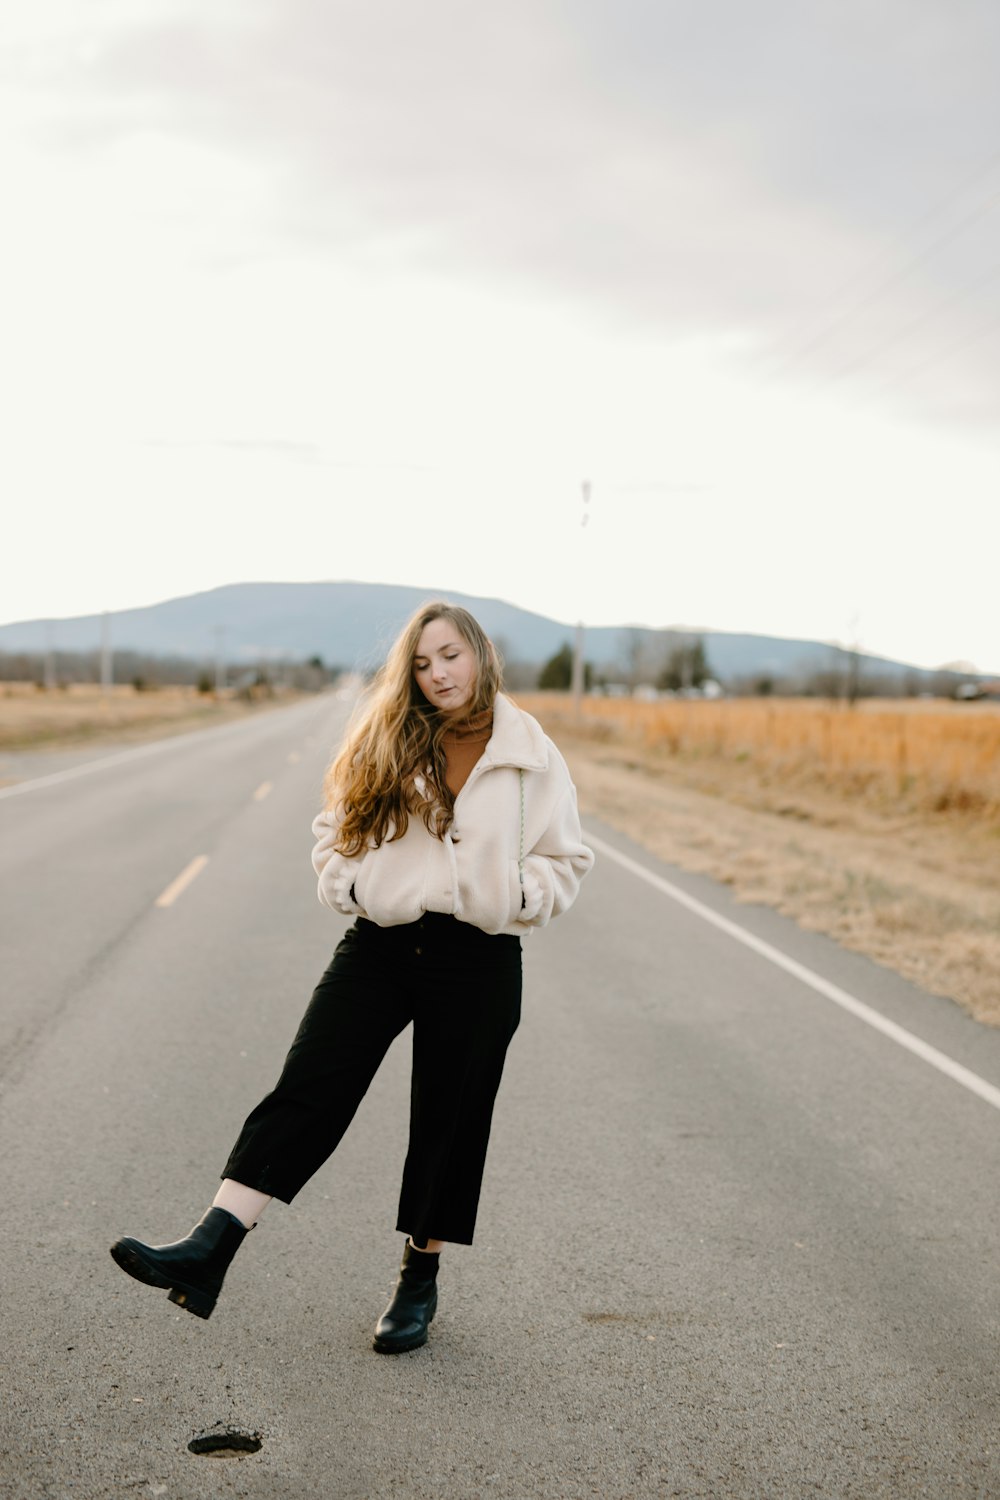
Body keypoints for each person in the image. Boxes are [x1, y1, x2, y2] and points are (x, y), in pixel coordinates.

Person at [111, 601, 594, 1352]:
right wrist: (356, 887)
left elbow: (566, 860)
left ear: (481, 654)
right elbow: (333, 832)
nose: (438, 674)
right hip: (382, 944)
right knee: (310, 1084)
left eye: (450, 656)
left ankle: (417, 1281)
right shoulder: (386, 735)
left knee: (450, 1118)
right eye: (423, 663)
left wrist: (520, 897)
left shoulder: (533, 753)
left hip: (479, 958)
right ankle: (211, 1245)